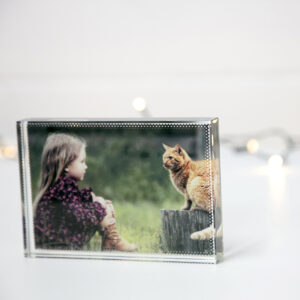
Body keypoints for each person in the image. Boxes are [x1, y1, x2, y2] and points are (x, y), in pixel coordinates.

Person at [33, 133, 136, 252]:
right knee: (99, 204)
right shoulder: (62, 189)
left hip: (62, 241)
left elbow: (74, 209)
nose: (85, 166)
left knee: (97, 199)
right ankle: (112, 241)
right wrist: (100, 208)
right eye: (82, 162)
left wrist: (96, 202)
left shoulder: (61, 187)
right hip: (60, 246)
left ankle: (112, 240)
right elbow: (79, 218)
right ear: (66, 165)